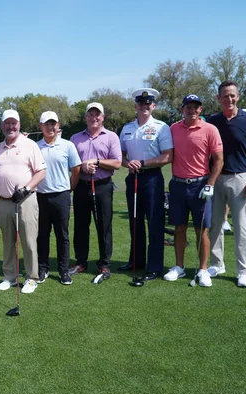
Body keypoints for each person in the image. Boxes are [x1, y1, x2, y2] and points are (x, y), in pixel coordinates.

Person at [208, 81, 246, 288]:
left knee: (241, 227)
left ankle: (243, 271)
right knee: (215, 225)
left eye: (232, 95)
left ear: (237, 97)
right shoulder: (213, 122)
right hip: (215, 178)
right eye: (225, 96)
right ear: (218, 98)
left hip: (240, 178)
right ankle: (216, 263)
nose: (229, 99)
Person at [164, 94, 223, 286]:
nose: (192, 110)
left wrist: (210, 184)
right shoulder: (173, 129)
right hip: (178, 184)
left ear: (200, 109)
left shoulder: (210, 130)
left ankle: (203, 269)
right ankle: (179, 267)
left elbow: (219, 159)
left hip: (200, 185)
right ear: (182, 109)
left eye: (195, 107)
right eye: (188, 107)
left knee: (201, 229)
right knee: (179, 228)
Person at [119, 89, 173, 281]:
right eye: (141, 103)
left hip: (152, 179)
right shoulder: (126, 128)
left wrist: (143, 163)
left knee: (155, 223)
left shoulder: (161, 127)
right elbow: (121, 156)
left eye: (148, 103)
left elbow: (168, 156)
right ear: (135, 106)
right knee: (135, 222)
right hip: (132, 178)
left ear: (153, 106)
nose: (144, 106)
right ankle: (136, 261)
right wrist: (129, 164)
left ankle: (155, 266)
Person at [0, 109, 46, 294]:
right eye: (7, 123)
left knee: (29, 241)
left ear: (19, 125)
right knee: (8, 242)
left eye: (14, 123)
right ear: (2, 126)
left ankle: (32, 278)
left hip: (26, 200)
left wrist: (26, 188)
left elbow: (41, 172)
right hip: (5, 201)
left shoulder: (30, 145)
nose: (10, 126)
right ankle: (10, 276)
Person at [69, 102, 122, 280]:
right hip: (81, 187)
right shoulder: (75, 138)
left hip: (103, 187)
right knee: (81, 226)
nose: (94, 118)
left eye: (97, 114)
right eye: (90, 114)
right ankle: (81, 261)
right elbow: (71, 164)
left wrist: (96, 162)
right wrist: (82, 166)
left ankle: (104, 264)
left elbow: (117, 162)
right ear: (86, 117)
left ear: (103, 117)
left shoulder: (111, 137)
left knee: (104, 226)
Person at [35, 111, 81, 285]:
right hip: (41, 197)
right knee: (42, 235)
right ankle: (43, 268)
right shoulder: (35, 147)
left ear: (58, 125)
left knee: (62, 235)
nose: (50, 127)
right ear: (41, 127)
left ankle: (63, 271)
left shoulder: (67, 146)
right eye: (46, 124)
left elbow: (76, 169)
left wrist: (69, 188)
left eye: (53, 123)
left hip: (61, 196)